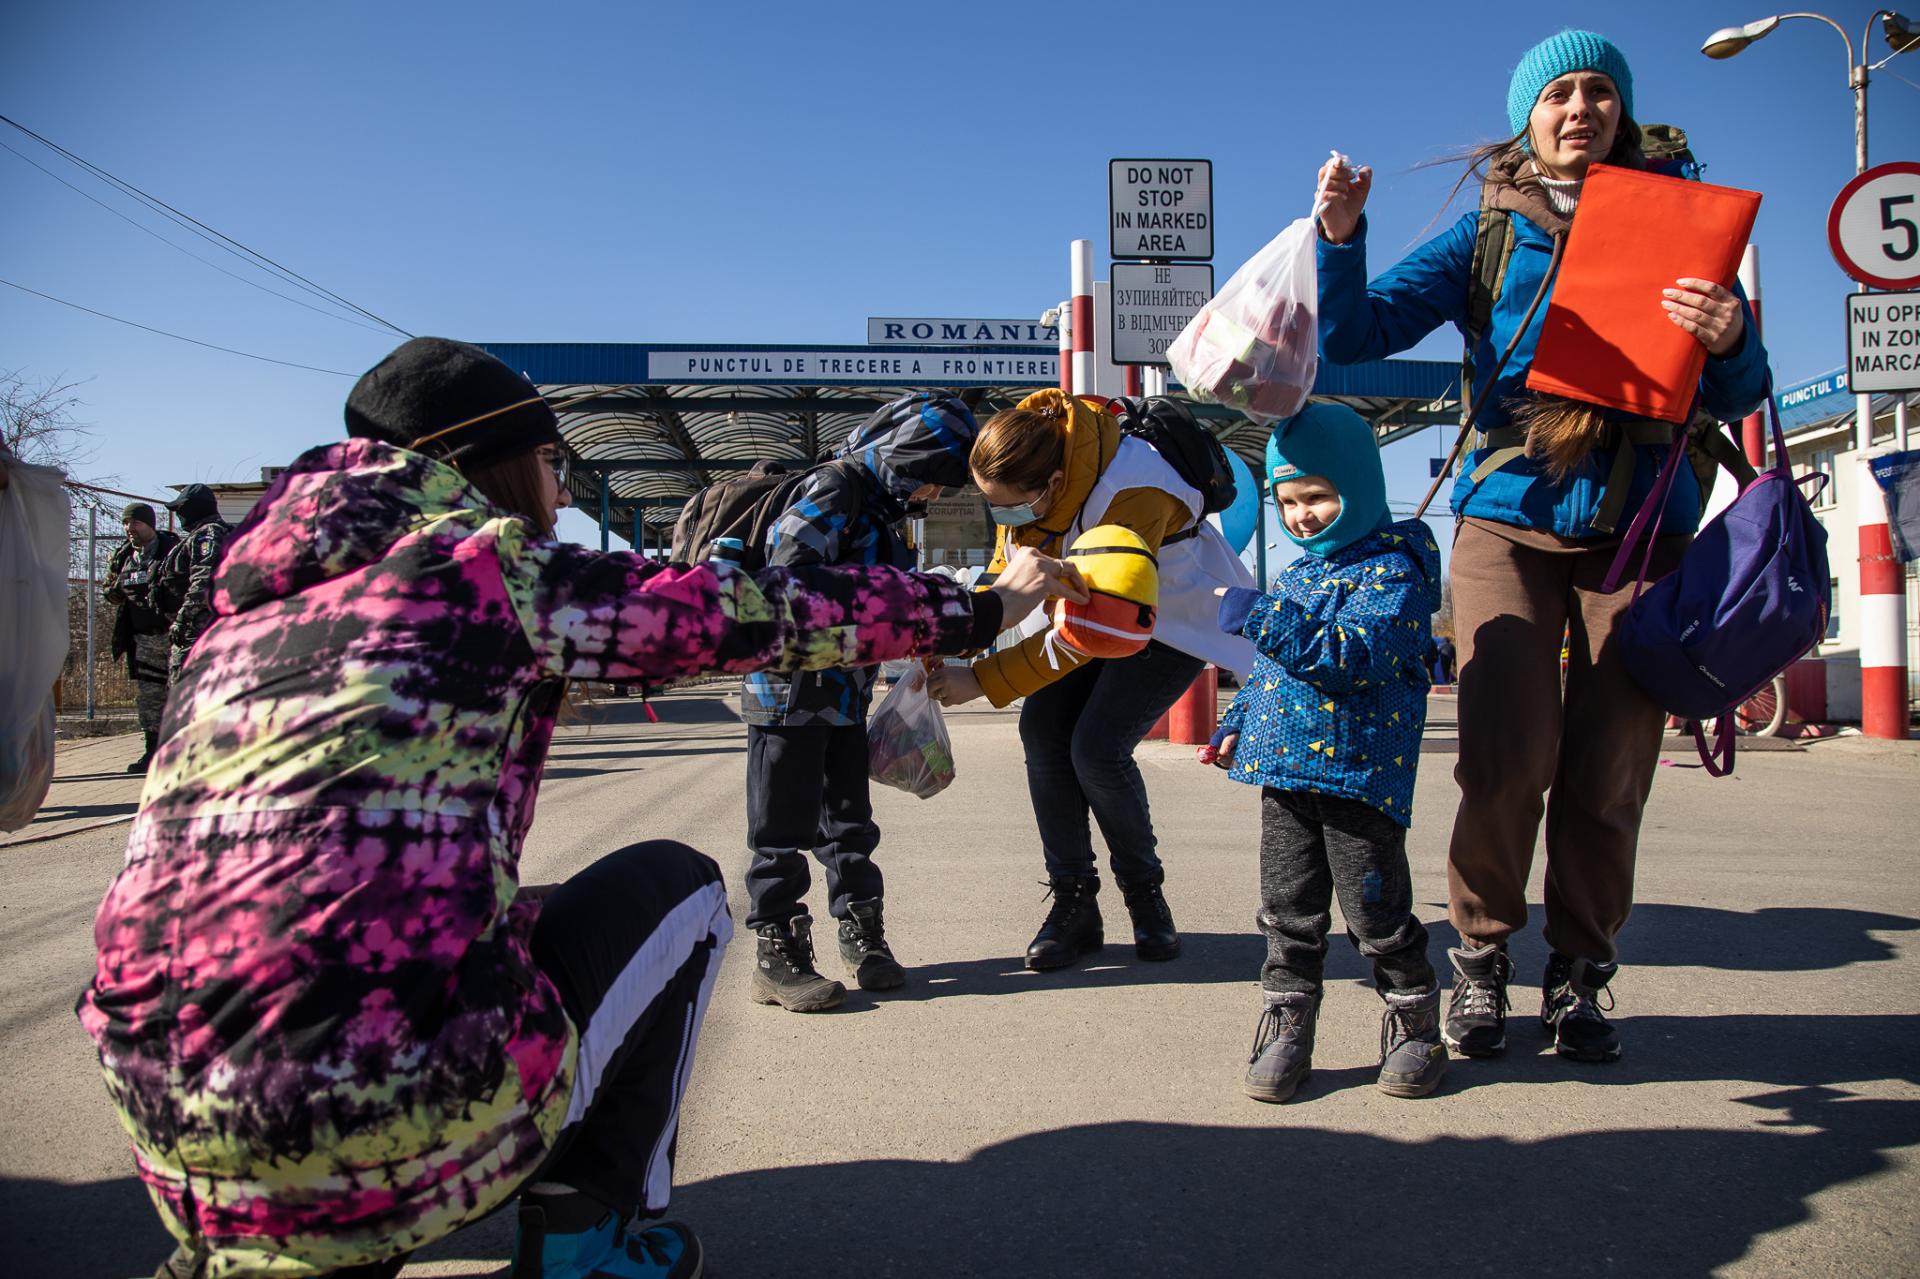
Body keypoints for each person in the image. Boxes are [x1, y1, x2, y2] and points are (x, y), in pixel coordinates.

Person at [78, 338, 1075, 1279]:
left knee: (491, 918)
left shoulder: (236, 617)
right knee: (679, 890)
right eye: (552, 462)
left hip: (168, 1124)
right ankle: (586, 1237)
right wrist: (981, 605)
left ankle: (292, 1229)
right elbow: (744, 612)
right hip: (369, 1103)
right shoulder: (483, 569)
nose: (560, 491)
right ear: (486, 462)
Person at [1314, 29, 1770, 1063]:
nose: (1580, 107)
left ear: (1624, 111)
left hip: (1642, 529)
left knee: (1611, 772)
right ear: (1530, 117)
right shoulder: (1489, 230)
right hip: (1508, 516)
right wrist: (1341, 237)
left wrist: (1731, 338)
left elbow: (1743, 394)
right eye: (1560, 92)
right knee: (1505, 757)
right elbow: (1355, 336)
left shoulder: (1687, 223)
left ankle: (1581, 972)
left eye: (1599, 91)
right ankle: (1481, 959)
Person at [929, 389, 1255, 970]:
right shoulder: (1032, 478)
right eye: (993, 508)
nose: (1004, 519)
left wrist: (980, 679)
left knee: (1097, 750)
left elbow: (1096, 632)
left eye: (1011, 507)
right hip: (1091, 612)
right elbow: (1010, 575)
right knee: (1043, 734)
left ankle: (1145, 898)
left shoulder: (1135, 492)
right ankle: (1074, 903)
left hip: (1170, 621)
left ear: (1054, 482)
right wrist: (957, 635)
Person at [1203, 404, 1446, 1103]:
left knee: (1376, 912)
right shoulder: (1301, 574)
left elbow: (1353, 658)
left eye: (1316, 495)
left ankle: (1414, 1022)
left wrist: (1264, 615)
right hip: (1284, 774)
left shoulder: (1392, 575)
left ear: (1360, 488)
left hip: (1357, 778)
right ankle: (1287, 1023)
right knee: (1287, 907)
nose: (1301, 514)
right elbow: (1272, 675)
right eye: (1287, 500)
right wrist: (1235, 723)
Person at [741, 392, 979, 1011]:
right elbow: (785, 587)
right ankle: (776, 953)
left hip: (844, 694)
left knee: (850, 824)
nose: (929, 493)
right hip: (787, 695)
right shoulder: (833, 489)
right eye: (929, 476)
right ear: (904, 453)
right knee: (780, 828)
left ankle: (863, 937)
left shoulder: (880, 505)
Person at [102, 501, 180, 772]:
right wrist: (120, 587)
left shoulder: (172, 550)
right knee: (150, 697)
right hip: (143, 638)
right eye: (126, 523)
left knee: (180, 694)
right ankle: (152, 752)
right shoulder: (123, 556)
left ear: (150, 524)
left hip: (173, 635)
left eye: (135, 522)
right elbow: (109, 593)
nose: (129, 528)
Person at [151, 481, 234, 683]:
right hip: (199, 628)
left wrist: (184, 618)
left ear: (194, 507)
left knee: (187, 692)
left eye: (181, 509)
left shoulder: (208, 534)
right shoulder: (206, 534)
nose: (179, 515)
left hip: (197, 630)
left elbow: (204, 579)